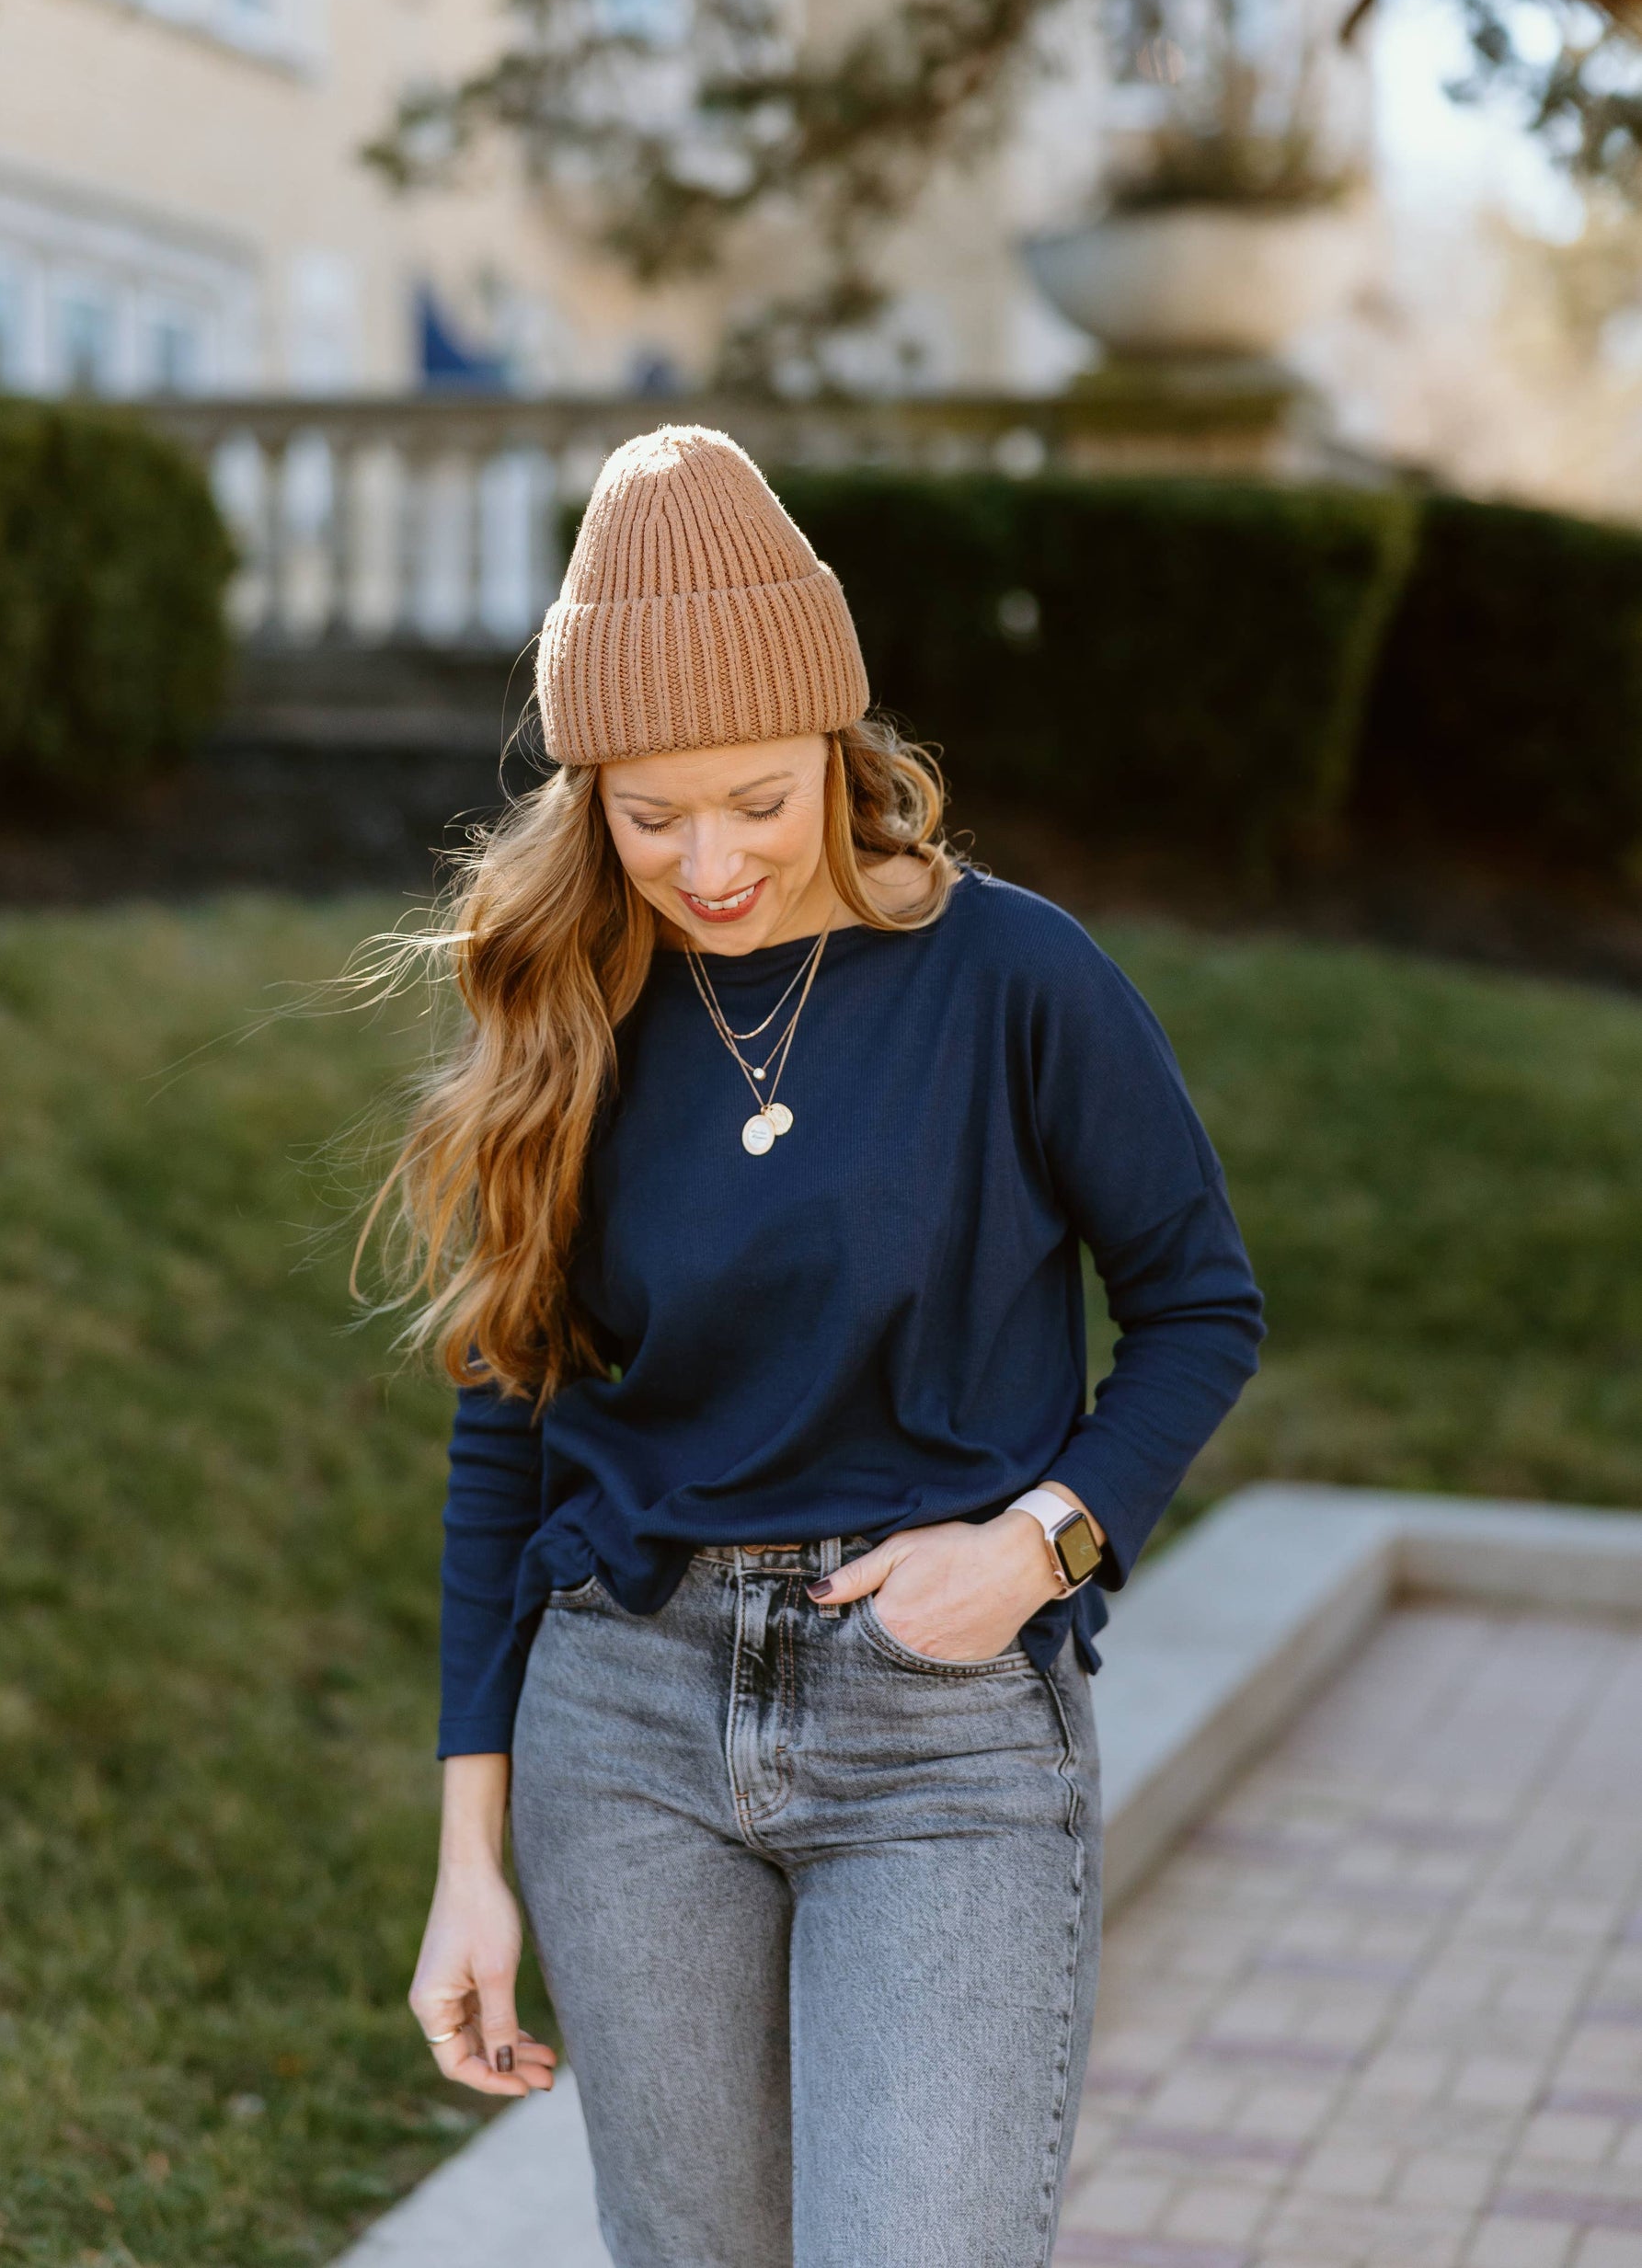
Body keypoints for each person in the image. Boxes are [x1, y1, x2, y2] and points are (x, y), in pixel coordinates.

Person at [378, 425, 1264, 2268]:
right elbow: (503, 1440)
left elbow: (1199, 1303)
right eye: (649, 811)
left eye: (758, 800)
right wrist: (473, 1862)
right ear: (588, 793)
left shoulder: (1019, 980)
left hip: (939, 1726)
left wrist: (1042, 1545)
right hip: (621, 1719)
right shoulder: (569, 1013)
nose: (708, 860)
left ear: (844, 759)